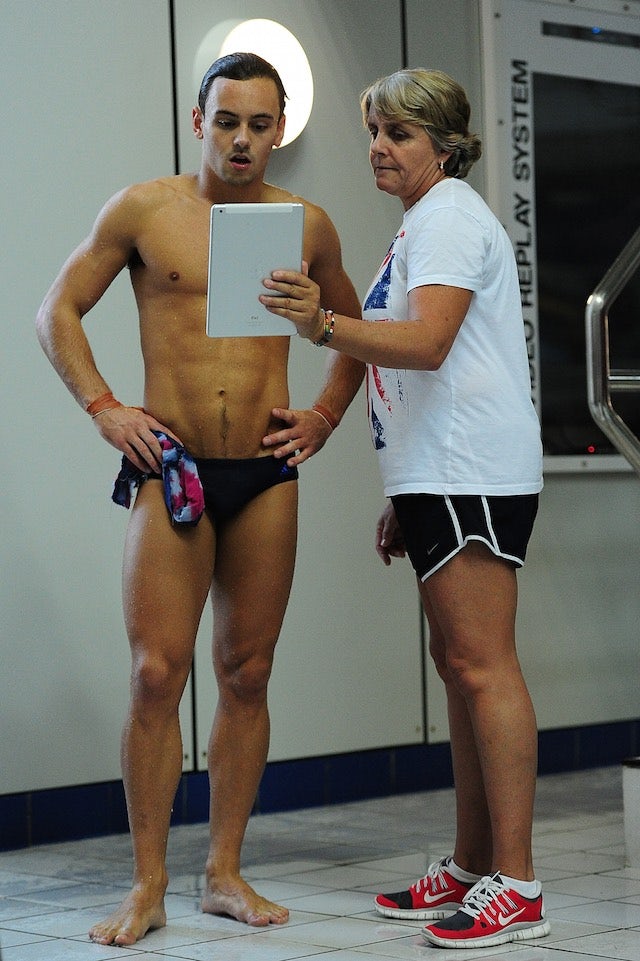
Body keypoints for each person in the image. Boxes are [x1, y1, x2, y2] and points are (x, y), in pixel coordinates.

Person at [35, 52, 360, 947]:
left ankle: (222, 871)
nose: (244, 139)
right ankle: (147, 883)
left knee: (247, 673)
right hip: (170, 464)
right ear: (198, 121)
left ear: (278, 130)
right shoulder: (145, 211)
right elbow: (55, 311)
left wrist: (327, 414)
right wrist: (105, 407)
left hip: (263, 473)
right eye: (228, 121)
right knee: (154, 673)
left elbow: (358, 326)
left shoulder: (308, 226)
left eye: (262, 124)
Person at [260, 68, 549, 950]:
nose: (380, 147)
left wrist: (322, 326)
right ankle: (470, 864)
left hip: (474, 472)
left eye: (400, 134)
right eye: (376, 130)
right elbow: (398, 346)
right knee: (459, 667)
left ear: (444, 147)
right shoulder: (420, 225)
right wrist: (393, 474)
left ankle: (520, 886)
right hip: (440, 473)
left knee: (483, 666)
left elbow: (425, 342)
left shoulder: (453, 218)